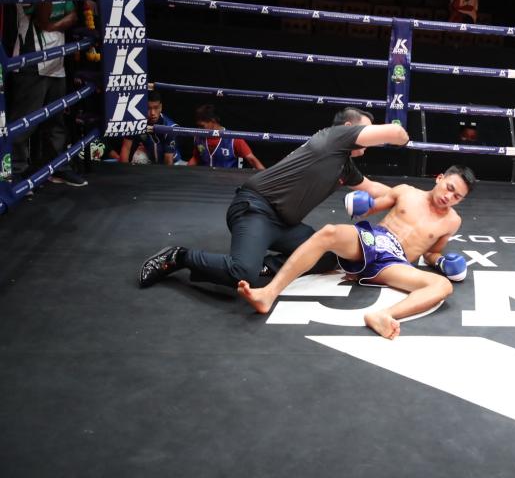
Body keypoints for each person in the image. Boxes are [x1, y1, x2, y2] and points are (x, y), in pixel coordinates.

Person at [139, 107, 409, 290]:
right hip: (256, 208)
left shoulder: (344, 165)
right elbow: (396, 134)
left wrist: (408, 196)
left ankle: (265, 267)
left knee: (328, 254)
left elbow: (375, 188)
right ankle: (178, 256)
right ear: (349, 128)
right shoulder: (334, 137)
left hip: (284, 225)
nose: (370, 137)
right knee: (242, 273)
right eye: (367, 129)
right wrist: (402, 135)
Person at [238, 165, 475, 339]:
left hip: (396, 263)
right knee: (329, 232)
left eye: (457, 196)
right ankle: (268, 293)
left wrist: (442, 262)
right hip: (373, 239)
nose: (449, 197)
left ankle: (384, 315)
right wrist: (361, 204)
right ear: (440, 178)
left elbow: (432, 253)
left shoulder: (452, 221)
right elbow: (368, 210)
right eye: (449, 188)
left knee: (443, 286)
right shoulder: (406, 192)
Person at [9, 0, 86, 187]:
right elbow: (41, 16)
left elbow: (72, 15)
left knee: (56, 120)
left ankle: (57, 167)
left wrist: (53, 25)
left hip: (57, 58)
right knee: (25, 122)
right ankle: (15, 173)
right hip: (32, 58)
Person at [187, 104, 265, 170]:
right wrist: (184, 172)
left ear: (213, 121)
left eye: (202, 126)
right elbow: (196, 157)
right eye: (198, 126)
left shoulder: (234, 139)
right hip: (205, 179)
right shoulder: (198, 137)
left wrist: (267, 180)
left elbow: (252, 160)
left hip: (228, 180)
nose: (199, 129)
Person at [119, 91, 181, 165]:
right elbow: (125, 149)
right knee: (139, 157)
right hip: (150, 162)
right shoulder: (134, 123)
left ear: (161, 107)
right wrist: (124, 171)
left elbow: (168, 160)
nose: (152, 113)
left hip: (172, 164)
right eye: (148, 108)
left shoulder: (169, 127)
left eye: (156, 108)